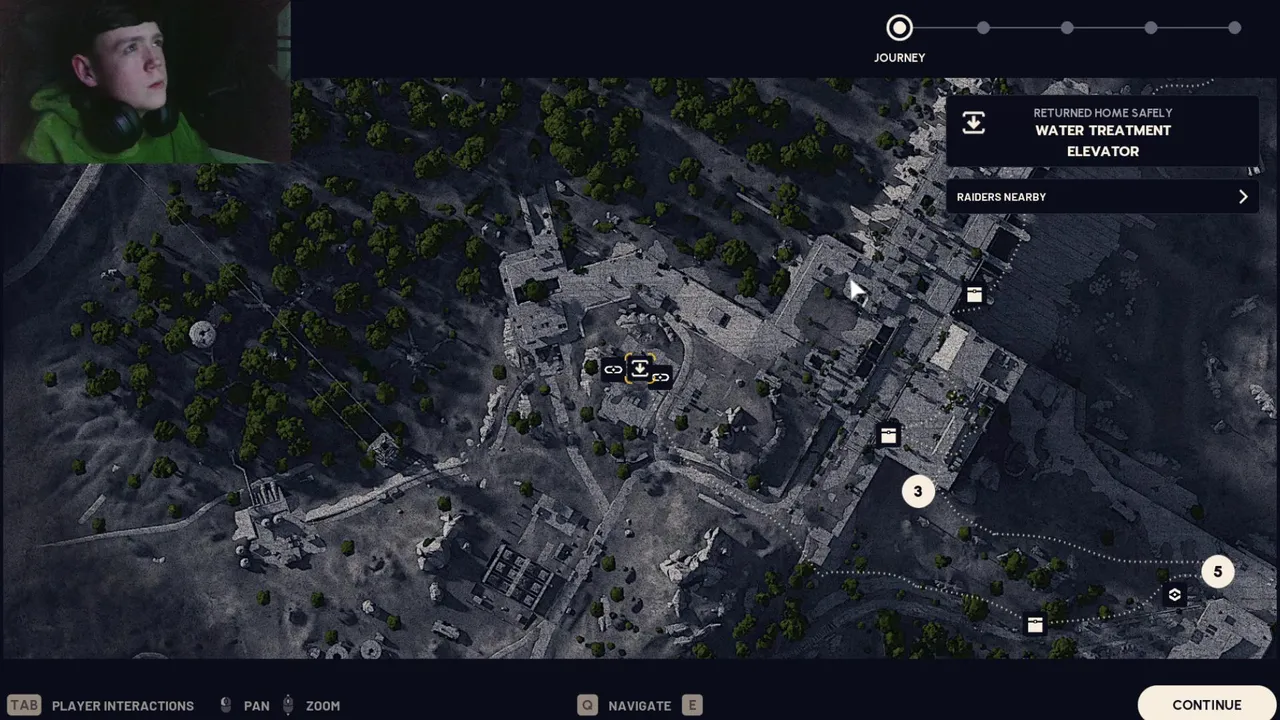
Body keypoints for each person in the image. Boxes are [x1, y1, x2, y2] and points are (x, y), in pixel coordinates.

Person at [19, 0, 216, 163]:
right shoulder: (48, 138)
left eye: (156, 42)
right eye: (131, 48)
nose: (155, 61)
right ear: (87, 72)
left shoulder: (171, 121)